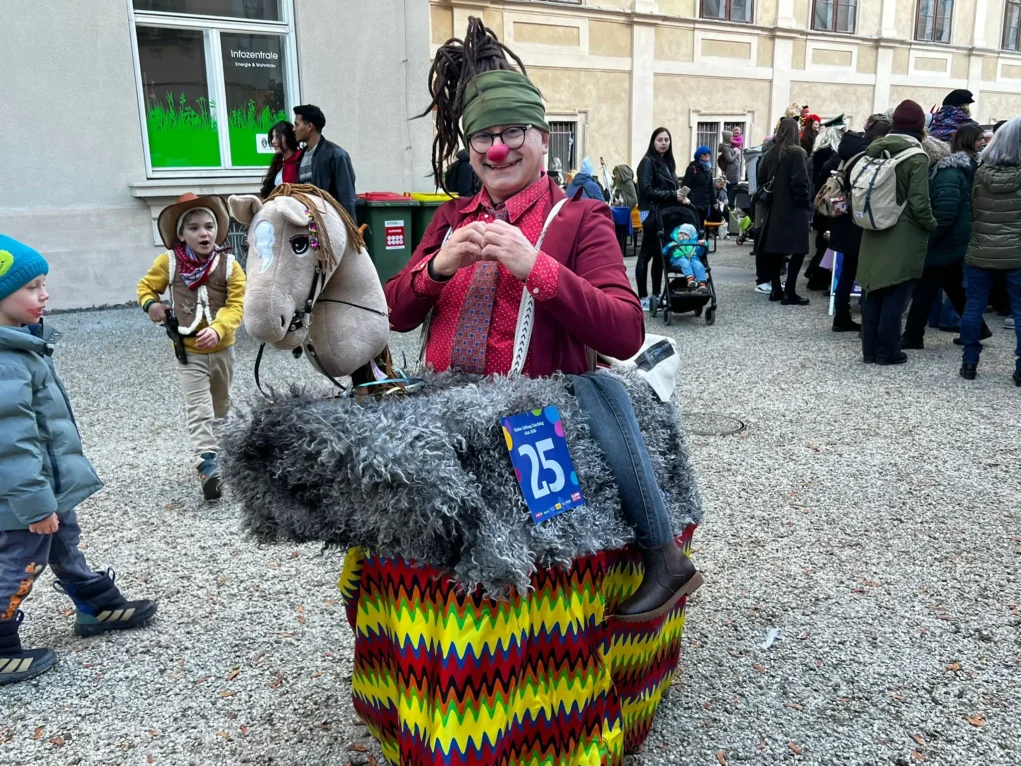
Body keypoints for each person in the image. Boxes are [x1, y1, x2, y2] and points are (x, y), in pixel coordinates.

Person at [392, 18, 701, 620]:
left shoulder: (581, 216)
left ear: (541, 139)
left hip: (535, 421)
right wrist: (436, 266)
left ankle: (581, 653)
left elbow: (623, 330)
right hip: (440, 412)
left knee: (545, 576)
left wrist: (538, 267)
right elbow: (396, 313)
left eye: (511, 133)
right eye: (482, 138)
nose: (495, 149)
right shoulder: (451, 217)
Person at [0, 235, 158, 686]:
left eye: (43, 284)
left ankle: (95, 604)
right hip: (23, 498)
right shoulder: (6, 363)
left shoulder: (23, 347)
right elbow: (10, 444)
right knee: (19, 560)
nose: (44, 295)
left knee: (65, 542)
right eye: (30, 287)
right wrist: (35, 505)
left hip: (45, 487)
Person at [137, 194, 246, 500]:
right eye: (195, 228)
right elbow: (146, 287)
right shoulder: (168, 263)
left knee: (221, 404)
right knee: (198, 407)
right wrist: (151, 305)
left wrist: (219, 327)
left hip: (223, 350)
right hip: (190, 352)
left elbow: (237, 304)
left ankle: (223, 455)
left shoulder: (229, 266)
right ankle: (207, 463)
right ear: (181, 234)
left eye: (209, 226)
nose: (204, 233)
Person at [857, 100, 937, 365]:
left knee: (873, 290)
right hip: (902, 232)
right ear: (920, 128)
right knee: (895, 293)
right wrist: (931, 225)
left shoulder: (875, 150)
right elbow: (919, 202)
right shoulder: (916, 157)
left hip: (873, 226)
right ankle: (887, 351)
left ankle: (869, 351)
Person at [902, 123, 990, 350]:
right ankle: (978, 329)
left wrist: (928, 240)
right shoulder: (969, 168)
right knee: (954, 287)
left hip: (946, 241)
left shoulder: (947, 172)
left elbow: (944, 213)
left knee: (925, 291)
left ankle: (912, 336)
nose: (983, 142)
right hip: (958, 240)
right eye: (979, 138)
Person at [958, 116, 1021, 385]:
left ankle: (969, 362)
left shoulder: (980, 173)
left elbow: (974, 209)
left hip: (981, 248)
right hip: (1017, 252)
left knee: (974, 307)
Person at [822, 114, 892, 332]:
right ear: (880, 136)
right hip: (860, 220)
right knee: (867, 271)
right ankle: (866, 315)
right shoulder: (868, 155)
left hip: (842, 218)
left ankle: (841, 315)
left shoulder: (847, 149)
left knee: (848, 271)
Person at [757, 117, 812, 306]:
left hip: (774, 208)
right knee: (798, 250)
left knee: (775, 250)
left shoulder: (771, 152)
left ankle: (776, 289)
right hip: (794, 209)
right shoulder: (797, 152)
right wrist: (805, 204)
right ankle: (789, 290)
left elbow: (761, 178)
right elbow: (800, 182)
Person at [636, 127, 682, 309]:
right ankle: (642, 297)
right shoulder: (648, 162)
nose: (664, 143)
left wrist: (679, 196)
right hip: (651, 213)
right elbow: (646, 190)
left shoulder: (667, 163)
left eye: (666, 140)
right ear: (653, 142)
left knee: (658, 255)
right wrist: (673, 194)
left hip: (663, 213)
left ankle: (655, 294)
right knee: (646, 254)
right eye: (660, 140)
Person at [292, 104, 357, 218]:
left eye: (297, 124)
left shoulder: (336, 155)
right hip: (310, 223)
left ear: (309, 126)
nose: (294, 129)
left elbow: (347, 198)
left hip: (331, 224)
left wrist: (349, 231)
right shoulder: (301, 157)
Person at [805, 120, 846, 292]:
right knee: (826, 241)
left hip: (822, 201)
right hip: (828, 202)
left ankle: (815, 274)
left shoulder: (821, 153)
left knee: (823, 240)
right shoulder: (831, 156)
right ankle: (816, 274)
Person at [260, 121, 301, 199]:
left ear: (288, 137)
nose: (273, 141)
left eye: (277, 137)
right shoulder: (278, 162)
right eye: (273, 137)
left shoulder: (302, 160)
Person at [663, 223, 708, 292]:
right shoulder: (674, 243)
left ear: (691, 236)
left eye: (686, 234)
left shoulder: (695, 244)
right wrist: (670, 246)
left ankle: (702, 283)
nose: (682, 235)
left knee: (699, 265)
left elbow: (701, 252)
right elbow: (664, 252)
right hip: (679, 259)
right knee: (685, 262)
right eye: (680, 233)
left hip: (693, 258)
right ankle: (690, 278)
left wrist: (704, 244)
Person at [681, 146, 715, 221]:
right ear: (699, 156)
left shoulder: (708, 170)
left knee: (702, 227)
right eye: (705, 154)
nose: (707, 155)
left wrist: (714, 202)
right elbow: (685, 185)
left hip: (705, 204)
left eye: (708, 154)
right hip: (694, 203)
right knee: (694, 224)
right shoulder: (693, 168)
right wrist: (683, 199)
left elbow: (711, 187)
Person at [718, 130, 741, 207]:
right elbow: (729, 159)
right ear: (727, 138)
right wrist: (737, 154)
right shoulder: (726, 148)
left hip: (733, 174)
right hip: (731, 174)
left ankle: (730, 206)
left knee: (733, 191)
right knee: (730, 192)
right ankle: (728, 208)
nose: (732, 138)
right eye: (731, 137)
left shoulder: (728, 147)